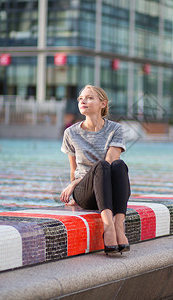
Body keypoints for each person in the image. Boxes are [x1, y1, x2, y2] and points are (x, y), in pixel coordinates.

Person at [60, 85, 131, 254]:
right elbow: (74, 169)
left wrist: (72, 184)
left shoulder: (115, 129)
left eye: (89, 98)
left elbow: (110, 161)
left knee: (118, 165)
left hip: (108, 191)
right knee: (102, 166)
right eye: (81, 98)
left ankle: (119, 226)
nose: (83, 101)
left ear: (103, 104)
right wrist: (74, 187)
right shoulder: (70, 133)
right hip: (86, 194)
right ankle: (109, 228)